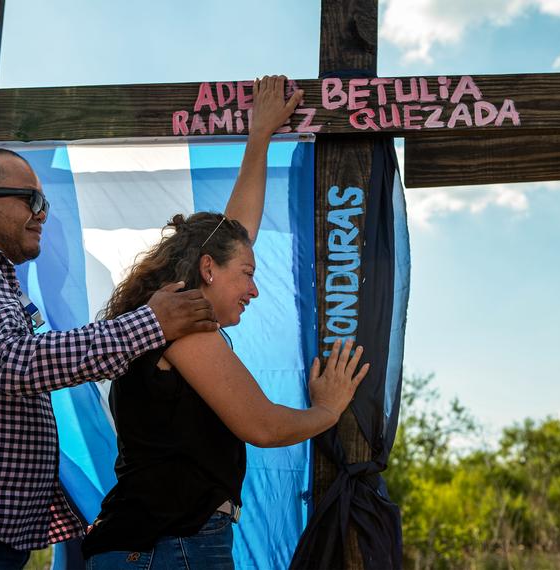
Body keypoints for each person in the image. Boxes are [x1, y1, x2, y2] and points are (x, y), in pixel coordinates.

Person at [0, 146, 220, 568]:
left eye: (46, 203)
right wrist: (150, 323)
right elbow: (13, 362)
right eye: (32, 200)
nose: (42, 214)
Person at [81, 76, 370, 569]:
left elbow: (235, 234)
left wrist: (259, 139)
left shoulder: (171, 311)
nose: (255, 289)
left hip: (159, 543)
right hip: (168, 546)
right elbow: (261, 424)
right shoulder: (183, 325)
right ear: (208, 270)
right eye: (248, 275)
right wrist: (327, 411)